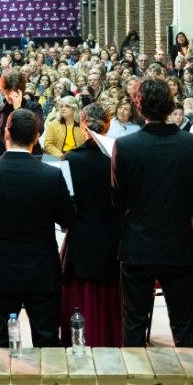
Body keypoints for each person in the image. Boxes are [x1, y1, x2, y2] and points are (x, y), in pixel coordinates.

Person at [112, 77, 193, 347]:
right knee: (183, 324)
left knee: (134, 322)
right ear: (170, 105)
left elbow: (117, 202)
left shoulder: (126, 146)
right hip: (179, 244)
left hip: (138, 245)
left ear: (138, 106)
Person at [0, 108, 77, 348]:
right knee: (47, 338)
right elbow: (68, 219)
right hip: (41, 267)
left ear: (6, 133)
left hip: (1, 266)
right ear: (37, 137)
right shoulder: (51, 175)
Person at [59, 103, 122, 346]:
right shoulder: (119, 156)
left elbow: (65, 208)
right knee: (109, 304)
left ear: (82, 125)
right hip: (112, 239)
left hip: (81, 240)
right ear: (107, 125)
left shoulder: (70, 159)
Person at [0, 70, 45, 154]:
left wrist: (18, 109)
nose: (9, 96)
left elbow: (38, 131)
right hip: (2, 159)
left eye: (13, 91)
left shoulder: (34, 107)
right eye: (7, 92)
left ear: (21, 91)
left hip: (28, 159)